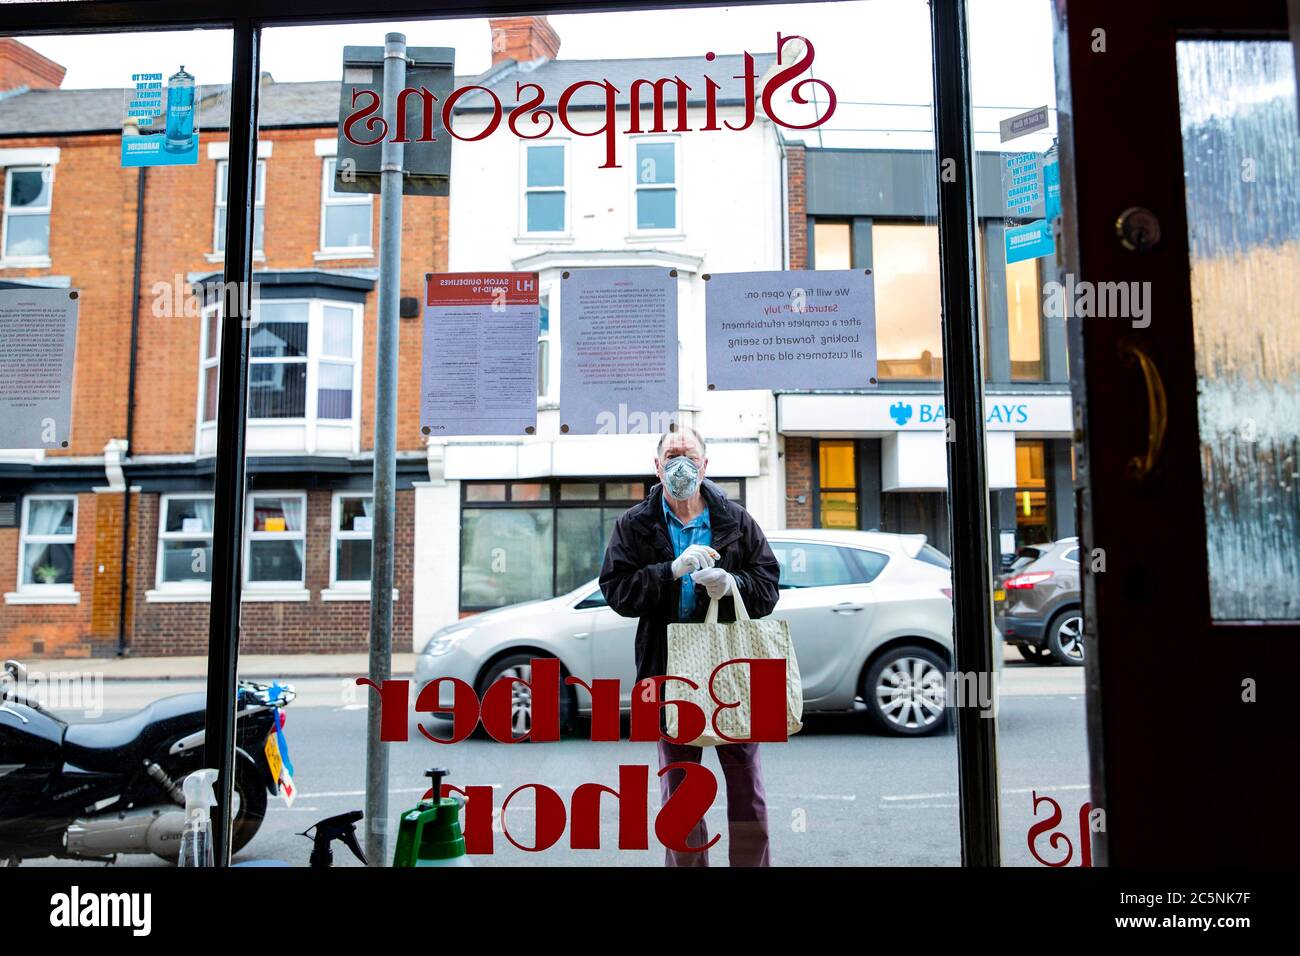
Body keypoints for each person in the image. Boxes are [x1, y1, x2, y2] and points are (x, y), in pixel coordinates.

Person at [598, 425, 782, 866]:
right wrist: (670, 571)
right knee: (681, 794)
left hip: (730, 670)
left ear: (705, 465)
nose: (682, 463)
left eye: (690, 455)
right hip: (669, 671)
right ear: (657, 466)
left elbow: (768, 586)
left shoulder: (735, 520)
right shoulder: (636, 525)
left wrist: (731, 583)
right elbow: (617, 591)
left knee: (745, 787)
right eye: (672, 455)